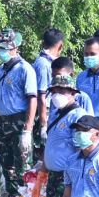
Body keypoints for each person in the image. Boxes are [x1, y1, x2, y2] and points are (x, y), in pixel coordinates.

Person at [41, 69, 91, 197]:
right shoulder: (56, 113)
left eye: (62, 91)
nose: (57, 95)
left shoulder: (78, 115)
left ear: (72, 93)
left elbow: (83, 147)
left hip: (67, 177)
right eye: (54, 91)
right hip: (53, 176)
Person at [0, 28, 38, 197]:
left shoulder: (25, 69)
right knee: (7, 166)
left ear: (13, 47)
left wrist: (28, 128)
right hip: (3, 122)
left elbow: (32, 99)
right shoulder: (1, 70)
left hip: (19, 122)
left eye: (3, 48)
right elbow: (0, 101)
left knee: (23, 168)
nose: (0, 52)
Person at [33, 28, 66, 159]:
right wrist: (43, 124)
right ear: (60, 46)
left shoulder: (47, 63)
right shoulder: (43, 64)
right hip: (43, 113)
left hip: (48, 111)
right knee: (42, 155)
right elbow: (41, 96)